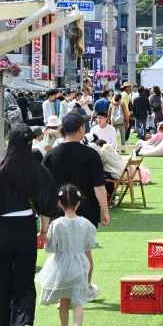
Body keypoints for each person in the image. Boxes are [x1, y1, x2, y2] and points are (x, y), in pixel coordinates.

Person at [0, 125, 58, 326]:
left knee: (0, 283)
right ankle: (25, 324)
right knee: (25, 281)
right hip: (26, 227)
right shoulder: (37, 169)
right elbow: (48, 202)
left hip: (3, 228)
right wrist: (43, 226)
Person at [44, 113, 110, 300]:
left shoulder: (50, 155)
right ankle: (84, 288)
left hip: (59, 210)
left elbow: (45, 188)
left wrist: (46, 215)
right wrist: (104, 210)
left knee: (61, 253)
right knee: (84, 252)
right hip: (86, 210)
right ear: (81, 128)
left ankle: (63, 290)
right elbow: (99, 186)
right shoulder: (91, 154)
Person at [36, 184, 97, 326]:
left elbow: (51, 248)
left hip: (61, 266)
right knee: (78, 303)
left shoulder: (56, 224)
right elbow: (88, 247)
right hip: (79, 264)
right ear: (78, 203)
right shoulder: (86, 224)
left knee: (63, 302)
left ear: (59, 203)